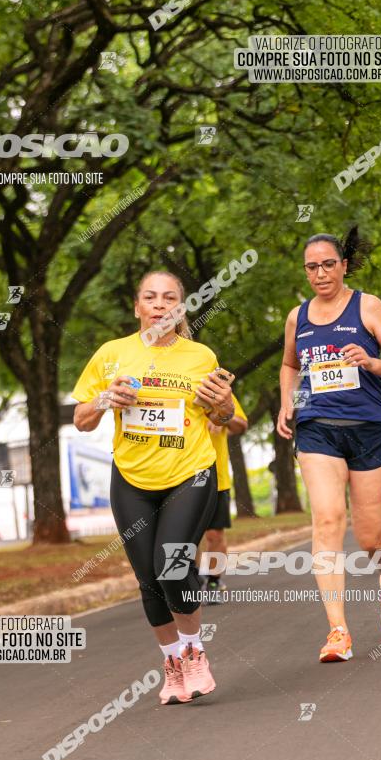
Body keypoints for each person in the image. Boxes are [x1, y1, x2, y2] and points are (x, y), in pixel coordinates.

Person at [72, 271, 237, 703]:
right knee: (148, 579)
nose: (160, 305)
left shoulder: (200, 355)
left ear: (180, 308)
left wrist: (222, 405)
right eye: (151, 297)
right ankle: (173, 661)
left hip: (191, 472)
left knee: (174, 565)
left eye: (169, 298)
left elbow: (223, 418)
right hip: (131, 478)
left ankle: (195, 651)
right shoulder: (112, 354)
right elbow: (81, 418)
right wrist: (106, 398)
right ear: (137, 307)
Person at [277, 226, 381, 662]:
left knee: (371, 538)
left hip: (371, 428)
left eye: (328, 264)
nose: (320, 273)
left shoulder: (369, 306)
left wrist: (370, 360)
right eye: (312, 267)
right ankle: (338, 631)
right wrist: (286, 403)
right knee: (328, 520)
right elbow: (289, 364)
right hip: (318, 428)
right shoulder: (297, 317)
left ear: (344, 265)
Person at [201, 395, 248, 602]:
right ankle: (190, 580)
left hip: (215, 476)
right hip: (177, 475)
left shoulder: (216, 390)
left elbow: (241, 424)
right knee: (186, 536)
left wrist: (223, 417)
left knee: (214, 534)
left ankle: (213, 580)